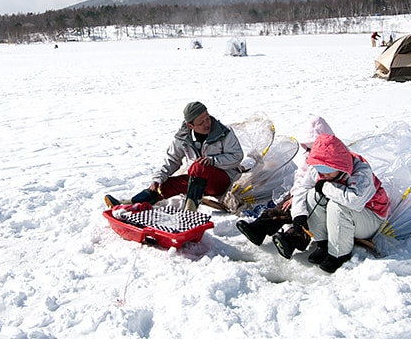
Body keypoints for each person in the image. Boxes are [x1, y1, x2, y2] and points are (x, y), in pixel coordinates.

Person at [272, 133, 389, 273]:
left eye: (328, 171)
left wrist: (326, 187)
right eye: (321, 170)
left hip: (370, 216)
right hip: (346, 214)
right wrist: (299, 215)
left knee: (338, 205)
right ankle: (323, 244)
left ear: (339, 165)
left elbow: (354, 201)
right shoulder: (318, 170)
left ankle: (339, 254)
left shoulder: (361, 172)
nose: (324, 175)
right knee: (312, 195)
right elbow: (302, 189)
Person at [104, 101, 244, 211]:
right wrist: (158, 178)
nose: (207, 123)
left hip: (223, 180)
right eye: (201, 122)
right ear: (190, 126)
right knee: (166, 184)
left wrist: (213, 161)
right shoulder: (182, 138)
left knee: (199, 166)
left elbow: (237, 156)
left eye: (207, 118)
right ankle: (129, 203)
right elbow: (172, 159)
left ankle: (190, 212)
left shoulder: (224, 132)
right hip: (197, 181)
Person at [235, 116, 334, 247]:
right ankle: (259, 228)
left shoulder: (334, 159)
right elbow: (301, 177)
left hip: (322, 199)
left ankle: (292, 240)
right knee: (285, 205)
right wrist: (294, 195)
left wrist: (301, 197)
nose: (311, 151)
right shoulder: (308, 157)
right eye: (309, 148)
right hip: (304, 192)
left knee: (307, 214)